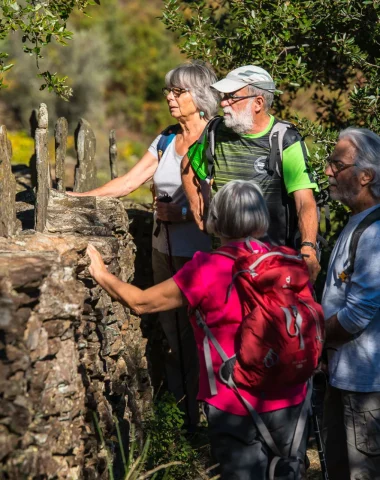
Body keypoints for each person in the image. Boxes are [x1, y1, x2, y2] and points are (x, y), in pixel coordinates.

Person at [86, 180, 309, 480]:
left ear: (216, 219)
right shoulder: (286, 261)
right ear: (261, 218)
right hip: (292, 396)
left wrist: (100, 273)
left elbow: (140, 303)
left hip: (234, 402)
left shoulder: (206, 269)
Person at [68, 61, 221, 429]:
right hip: (162, 251)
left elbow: (227, 202)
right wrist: (77, 199)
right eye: (168, 90)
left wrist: (183, 214)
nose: (169, 97)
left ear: (199, 96)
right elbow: (128, 182)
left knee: (202, 338)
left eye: (178, 91)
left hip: (202, 255)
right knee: (170, 334)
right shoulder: (167, 138)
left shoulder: (217, 140)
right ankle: (184, 419)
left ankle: (212, 418)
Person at [181, 65, 321, 283]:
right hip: (223, 262)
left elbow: (305, 201)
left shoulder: (285, 140)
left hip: (270, 263)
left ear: (258, 103)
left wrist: (308, 248)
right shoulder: (215, 130)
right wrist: (198, 210)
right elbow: (188, 164)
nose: (223, 103)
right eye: (223, 97)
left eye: (231, 97)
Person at [322, 128, 380, 479]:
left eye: (336, 164)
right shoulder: (359, 223)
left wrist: (313, 339)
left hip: (366, 386)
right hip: (349, 377)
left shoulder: (374, 233)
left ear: (365, 176)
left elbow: (357, 314)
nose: (328, 171)